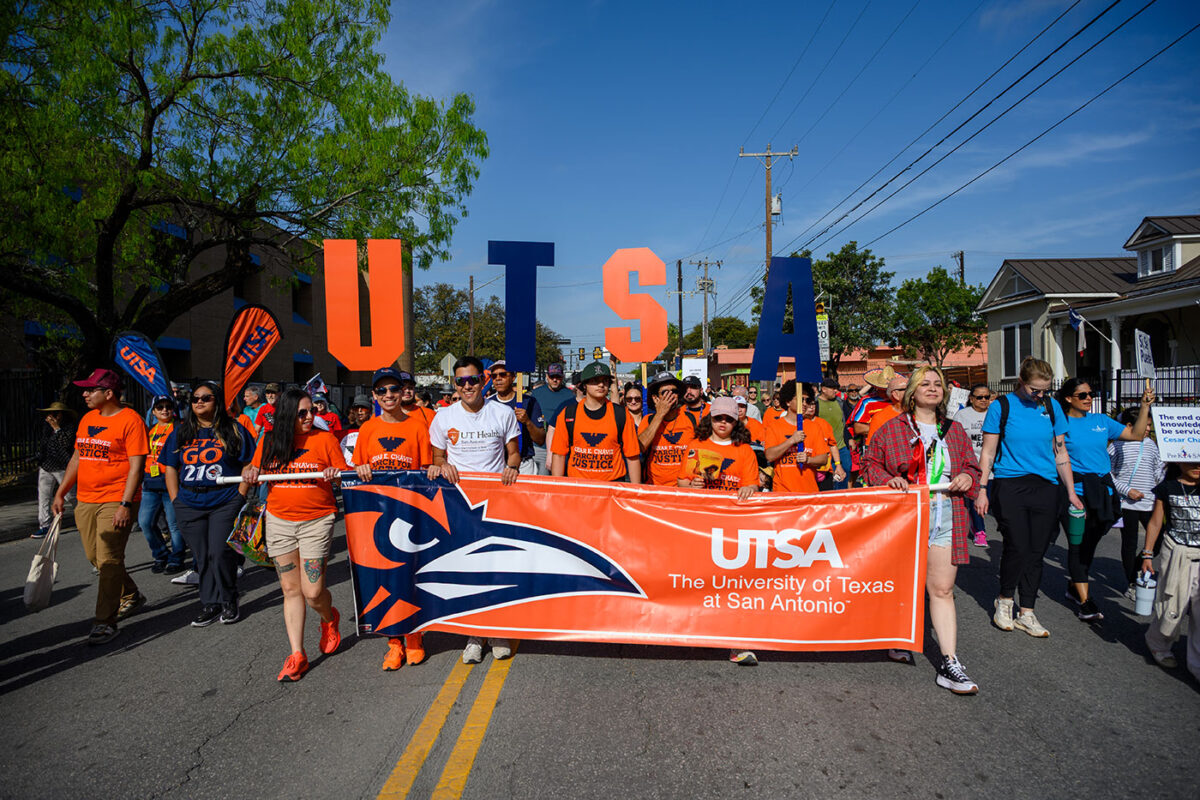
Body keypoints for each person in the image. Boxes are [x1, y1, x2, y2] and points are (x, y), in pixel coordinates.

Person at [865, 366, 982, 695]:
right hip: (907, 516)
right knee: (904, 583)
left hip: (948, 513)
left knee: (942, 590)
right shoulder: (892, 429)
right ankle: (898, 634)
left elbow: (971, 465)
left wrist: (969, 477)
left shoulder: (954, 430)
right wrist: (888, 479)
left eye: (938, 384)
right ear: (912, 393)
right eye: (925, 384)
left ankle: (949, 663)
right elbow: (870, 462)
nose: (933, 389)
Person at [244, 388, 350, 681]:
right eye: (302, 413)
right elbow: (253, 468)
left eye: (311, 411)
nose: (309, 417)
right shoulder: (268, 441)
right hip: (279, 521)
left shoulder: (324, 439)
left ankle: (329, 618)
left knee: (313, 592)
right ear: (287, 415)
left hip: (317, 520)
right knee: (291, 590)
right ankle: (297, 653)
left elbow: (342, 473)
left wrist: (334, 473)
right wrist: (250, 472)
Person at [975, 356, 1080, 638]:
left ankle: (1028, 612)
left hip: (1046, 486)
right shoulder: (1001, 406)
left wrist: (1071, 491)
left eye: (1045, 389)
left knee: (1037, 551)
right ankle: (1005, 600)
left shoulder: (1052, 406)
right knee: (1018, 545)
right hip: (1010, 484)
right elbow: (987, 452)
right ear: (1021, 382)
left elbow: (1061, 452)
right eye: (1035, 389)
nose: (1040, 395)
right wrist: (982, 489)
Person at [428, 356, 522, 664]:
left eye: (472, 380)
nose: (467, 386)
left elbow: (513, 454)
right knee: (467, 571)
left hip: (496, 502)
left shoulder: (503, 413)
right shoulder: (443, 417)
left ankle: (497, 630)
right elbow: (438, 457)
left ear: (483, 381)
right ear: (454, 384)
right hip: (460, 504)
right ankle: (473, 634)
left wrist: (511, 468)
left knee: (496, 568)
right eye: (461, 382)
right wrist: (442, 467)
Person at [51, 369, 149, 645]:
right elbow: (77, 458)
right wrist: (61, 493)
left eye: (90, 389)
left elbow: (136, 467)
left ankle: (105, 621)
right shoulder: (87, 419)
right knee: (96, 558)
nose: (84, 394)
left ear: (108, 393)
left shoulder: (131, 420)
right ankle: (130, 593)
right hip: (85, 500)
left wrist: (125, 504)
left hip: (115, 500)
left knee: (108, 560)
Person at [354, 367, 434, 670]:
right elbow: (358, 469)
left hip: (410, 512)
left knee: (410, 574)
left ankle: (414, 636)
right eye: (382, 391)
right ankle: (393, 642)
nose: (388, 395)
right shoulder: (368, 429)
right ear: (375, 396)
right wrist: (360, 470)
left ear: (403, 392)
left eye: (393, 390)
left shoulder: (417, 426)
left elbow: (427, 469)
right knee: (384, 579)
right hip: (376, 513)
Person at [1056, 378, 1154, 621]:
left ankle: (1074, 586)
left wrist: (1144, 406)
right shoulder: (1060, 423)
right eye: (1082, 395)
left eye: (1091, 393)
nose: (1089, 398)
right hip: (1075, 493)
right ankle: (1085, 602)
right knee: (1077, 544)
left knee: (1090, 543)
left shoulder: (1101, 421)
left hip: (1103, 494)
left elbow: (1136, 434)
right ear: (1069, 398)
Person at [160, 381, 256, 626]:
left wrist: (240, 495)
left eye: (206, 398)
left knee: (219, 552)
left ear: (218, 402)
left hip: (224, 500)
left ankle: (228, 600)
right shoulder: (181, 432)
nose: (199, 402)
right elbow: (170, 467)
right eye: (195, 398)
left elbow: (249, 462)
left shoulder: (233, 429)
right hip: (189, 502)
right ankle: (210, 603)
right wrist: (175, 499)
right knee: (202, 557)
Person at [677, 396, 761, 666]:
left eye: (728, 418)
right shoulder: (695, 446)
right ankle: (692, 634)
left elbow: (752, 486)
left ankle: (736, 644)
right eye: (718, 418)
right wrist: (692, 487)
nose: (723, 423)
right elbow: (681, 483)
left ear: (736, 421)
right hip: (700, 525)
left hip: (732, 530)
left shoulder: (744, 450)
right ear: (709, 419)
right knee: (696, 582)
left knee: (732, 587)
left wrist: (751, 489)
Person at [1140, 460, 1200, 678]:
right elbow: (1156, 522)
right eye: (1192, 460)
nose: (1197, 465)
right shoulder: (1168, 488)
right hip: (1176, 554)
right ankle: (1158, 642)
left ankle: (1197, 664)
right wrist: (1147, 553)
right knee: (1173, 603)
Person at [551, 361, 642, 484]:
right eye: (595, 381)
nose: (601, 385)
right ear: (584, 385)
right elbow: (559, 455)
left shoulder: (621, 414)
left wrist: (635, 492)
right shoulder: (568, 414)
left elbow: (632, 456)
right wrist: (558, 490)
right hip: (578, 487)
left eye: (605, 381)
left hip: (612, 487)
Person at [1110, 407, 1166, 592]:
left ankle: (1137, 568)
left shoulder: (1151, 445)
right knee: (1130, 542)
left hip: (1150, 502)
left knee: (1157, 541)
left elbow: (1157, 473)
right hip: (1127, 503)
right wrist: (1127, 490)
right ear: (1129, 426)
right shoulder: (1117, 445)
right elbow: (1107, 473)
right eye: (1146, 424)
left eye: (1149, 425)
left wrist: (1168, 465)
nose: (1148, 428)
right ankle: (1132, 583)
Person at [140, 395, 185, 573]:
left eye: (168, 406)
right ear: (154, 410)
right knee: (145, 523)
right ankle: (160, 554)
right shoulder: (150, 430)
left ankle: (177, 558)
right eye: (160, 407)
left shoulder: (179, 428)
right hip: (150, 483)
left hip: (171, 482)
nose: (165, 410)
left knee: (174, 525)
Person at [763, 381, 830, 493]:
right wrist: (791, 440)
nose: (804, 403)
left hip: (809, 491)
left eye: (807, 400)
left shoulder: (814, 427)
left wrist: (809, 459)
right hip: (783, 492)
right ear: (788, 401)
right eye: (800, 399)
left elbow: (823, 459)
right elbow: (769, 456)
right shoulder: (774, 426)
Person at [638, 372, 700, 487]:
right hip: (655, 489)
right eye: (665, 392)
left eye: (674, 391)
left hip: (684, 489)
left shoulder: (690, 419)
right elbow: (640, 447)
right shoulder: (648, 420)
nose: (671, 395)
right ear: (656, 398)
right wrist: (660, 414)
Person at [487, 360, 546, 474]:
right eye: (494, 376)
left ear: (513, 377)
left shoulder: (528, 402)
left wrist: (527, 421)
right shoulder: (488, 404)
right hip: (496, 464)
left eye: (503, 374)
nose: (498, 379)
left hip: (523, 464)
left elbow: (540, 440)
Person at [953, 384, 993, 547]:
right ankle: (979, 531)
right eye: (979, 397)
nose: (984, 400)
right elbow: (955, 440)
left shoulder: (994, 414)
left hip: (993, 467)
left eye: (987, 397)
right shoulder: (962, 416)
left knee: (989, 500)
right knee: (977, 498)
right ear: (971, 399)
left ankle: (974, 521)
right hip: (971, 466)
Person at [34, 401, 76, 539]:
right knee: (44, 495)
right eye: (48, 414)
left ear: (60, 415)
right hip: (47, 465)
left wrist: (57, 428)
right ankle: (44, 525)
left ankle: (83, 516)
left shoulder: (69, 428)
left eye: (54, 414)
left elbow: (65, 444)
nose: (50, 417)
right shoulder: (46, 429)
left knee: (70, 495)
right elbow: (44, 445)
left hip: (62, 466)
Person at [817, 377, 850, 489]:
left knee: (845, 471)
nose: (835, 391)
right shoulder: (815, 404)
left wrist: (849, 438)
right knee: (831, 478)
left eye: (836, 388)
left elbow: (843, 423)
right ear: (824, 389)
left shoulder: (839, 402)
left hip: (842, 446)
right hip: (825, 449)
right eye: (832, 388)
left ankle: (843, 499)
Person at [848, 366, 896, 438]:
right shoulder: (867, 402)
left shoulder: (898, 400)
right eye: (882, 388)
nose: (884, 391)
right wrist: (887, 429)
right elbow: (858, 428)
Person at [865, 375, 907, 444]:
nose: (912, 391)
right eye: (907, 389)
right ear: (895, 394)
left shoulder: (920, 412)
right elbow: (873, 450)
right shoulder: (880, 418)